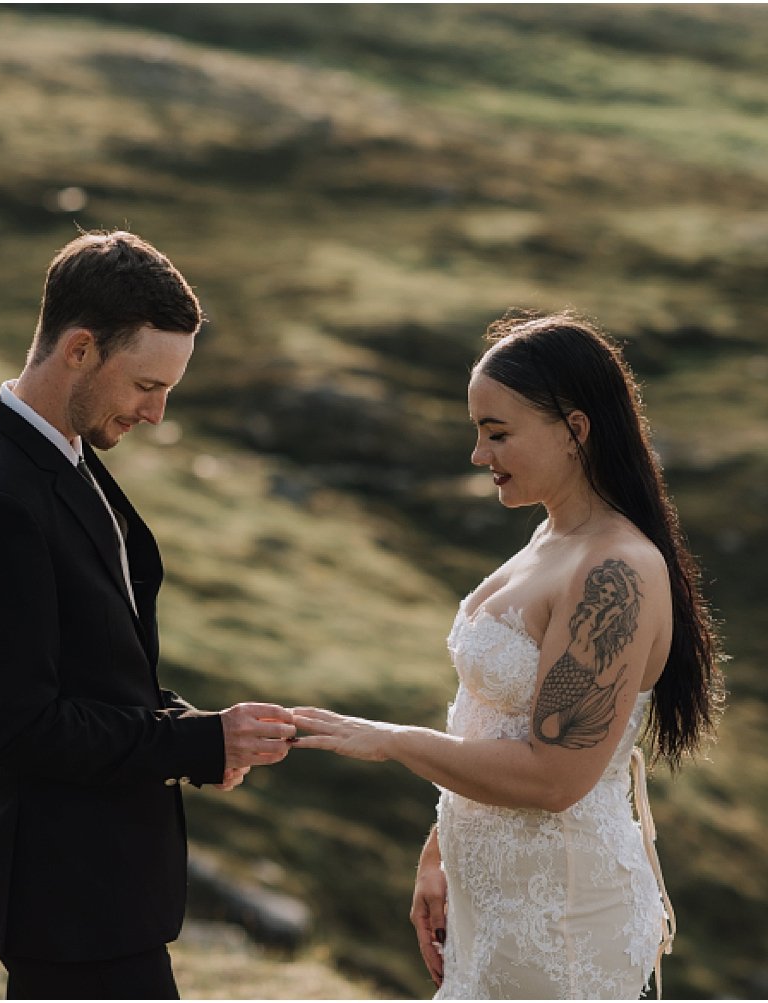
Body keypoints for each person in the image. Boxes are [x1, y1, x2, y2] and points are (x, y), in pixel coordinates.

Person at [292, 309, 725, 1000]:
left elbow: (555, 776)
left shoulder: (615, 570)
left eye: (498, 433)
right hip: (496, 909)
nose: (478, 454)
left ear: (575, 430)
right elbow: (494, 719)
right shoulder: (550, 538)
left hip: (565, 923)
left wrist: (395, 740)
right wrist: (442, 845)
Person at [0, 231, 297, 1000]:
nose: (158, 414)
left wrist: (196, 732)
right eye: (146, 385)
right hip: (63, 902)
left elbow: (96, 674)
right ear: (79, 349)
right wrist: (197, 740)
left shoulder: (68, 460)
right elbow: (25, 726)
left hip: (106, 896)